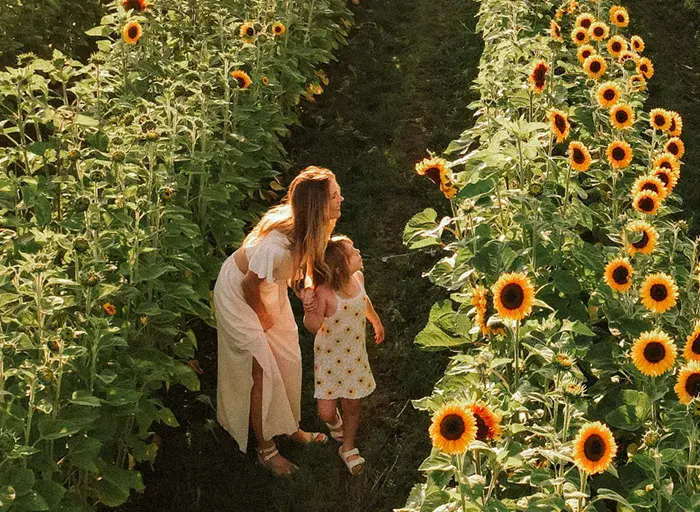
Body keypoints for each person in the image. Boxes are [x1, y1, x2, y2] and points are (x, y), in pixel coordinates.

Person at [214, 166, 343, 477]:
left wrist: (306, 287)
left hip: (266, 290)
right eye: (335, 195)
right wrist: (262, 318)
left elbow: (305, 263)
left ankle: (290, 428)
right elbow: (248, 285)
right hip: (238, 295)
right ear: (317, 207)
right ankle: (266, 449)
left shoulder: (315, 227)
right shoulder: (276, 247)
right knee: (261, 369)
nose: (342, 198)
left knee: (287, 358)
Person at [302, 235, 384, 476]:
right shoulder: (325, 293)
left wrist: (376, 323)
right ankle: (335, 423)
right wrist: (309, 310)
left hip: (355, 357)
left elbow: (365, 301)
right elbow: (314, 325)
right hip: (329, 360)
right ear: (339, 268)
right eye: (353, 252)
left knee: (352, 404)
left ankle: (348, 446)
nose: (359, 251)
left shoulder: (357, 279)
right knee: (325, 413)